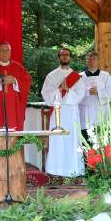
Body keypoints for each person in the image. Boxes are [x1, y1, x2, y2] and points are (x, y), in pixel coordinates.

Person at [41, 48, 86, 177]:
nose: (65, 57)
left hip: (71, 112)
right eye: (62, 55)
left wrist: (68, 91)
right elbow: (45, 93)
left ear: (70, 58)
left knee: (72, 140)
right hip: (58, 112)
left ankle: (74, 170)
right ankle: (56, 170)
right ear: (59, 57)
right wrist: (59, 90)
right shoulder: (52, 75)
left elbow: (81, 95)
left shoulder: (77, 77)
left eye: (67, 55)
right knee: (58, 140)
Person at [0, 42, 31, 131]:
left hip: (14, 110)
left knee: (14, 135)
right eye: (1, 50)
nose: (5, 52)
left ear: (10, 52)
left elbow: (26, 83)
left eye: (7, 50)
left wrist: (15, 81)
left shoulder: (18, 68)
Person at [79, 52, 111, 141]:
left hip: (100, 112)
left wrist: (98, 92)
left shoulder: (105, 75)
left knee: (101, 142)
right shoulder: (80, 76)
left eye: (94, 59)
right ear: (86, 61)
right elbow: (74, 93)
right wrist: (86, 92)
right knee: (86, 142)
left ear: (98, 61)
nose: (91, 61)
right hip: (85, 113)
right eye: (89, 59)